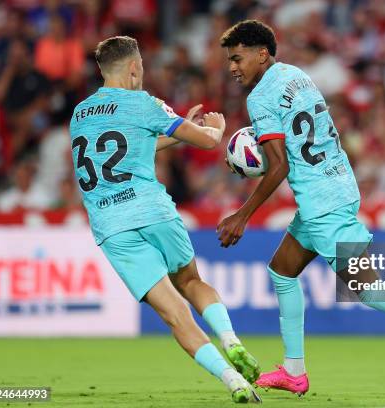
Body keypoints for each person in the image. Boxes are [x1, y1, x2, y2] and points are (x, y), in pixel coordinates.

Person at [217, 20, 385, 396]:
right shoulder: (296, 76)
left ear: (262, 54)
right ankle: (294, 371)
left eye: (237, 58)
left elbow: (278, 164)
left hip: (322, 201)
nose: (233, 67)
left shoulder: (259, 97)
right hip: (336, 184)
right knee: (282, 270)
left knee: (369, 290)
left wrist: (241, 215)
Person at [69, 36, 260, 404]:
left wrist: (173, 130)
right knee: (190, 280)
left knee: (175, 315)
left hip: (112, 227)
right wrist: (215, 129)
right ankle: (231, 340)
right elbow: (206, 142)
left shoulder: (80, 114)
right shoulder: (144, 103)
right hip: (152, 211)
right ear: (134, 68)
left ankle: (232, 380)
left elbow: (128, 146)